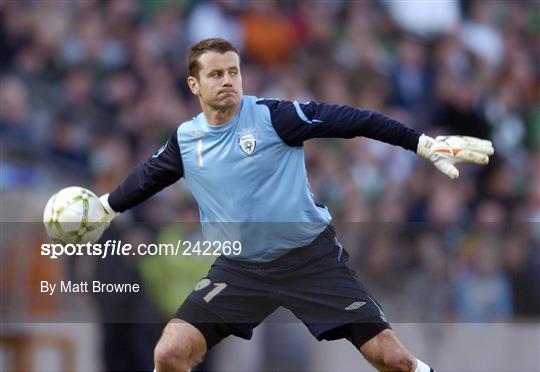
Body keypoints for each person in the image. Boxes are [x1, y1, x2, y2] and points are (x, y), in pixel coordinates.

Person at [98, 38, 493, 372]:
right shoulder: (186, 140)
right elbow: (146, 178)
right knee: (168, 353)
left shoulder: (272, 117)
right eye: (216, 74)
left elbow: (350, 119)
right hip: (242, 269)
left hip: (310, 261)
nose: (228, 81)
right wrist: (104, 208)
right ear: (194, 84)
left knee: (390, 358)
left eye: (234, 72)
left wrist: (422, 144)